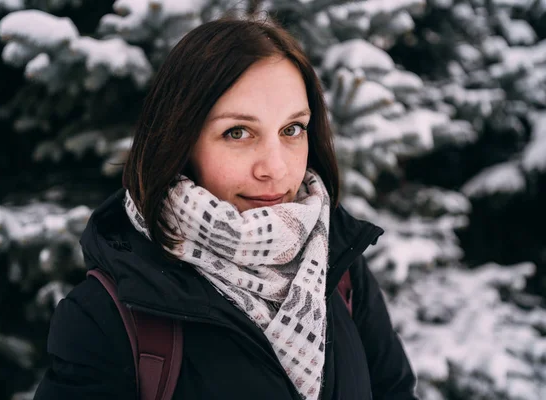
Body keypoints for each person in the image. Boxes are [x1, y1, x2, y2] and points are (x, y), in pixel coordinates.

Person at [34, 17, 418, 400]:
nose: (275, 168)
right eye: (238, 133)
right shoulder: (106, 319)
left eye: (292, 129)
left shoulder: (338, 264)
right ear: (180, 141)